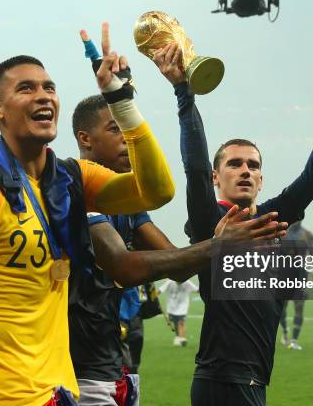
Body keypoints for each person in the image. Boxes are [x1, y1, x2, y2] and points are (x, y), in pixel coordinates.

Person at [0, 22, 178, 406]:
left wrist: (122, 100)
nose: (43, 96)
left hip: (58, 392)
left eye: (49, 87)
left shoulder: (70, 178)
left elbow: (157, 190)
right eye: (26, 88)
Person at [69, 63, 287, 405]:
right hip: (70, 369)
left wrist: (219, 245)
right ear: (85, 138)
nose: (129, 139)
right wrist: (218, 245)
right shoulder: (72, 189)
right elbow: (124, 268)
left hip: (110, 364)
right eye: (116, 130)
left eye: (130, 130)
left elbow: (181, 266)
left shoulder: (128, 206)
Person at [151, 43, 313, 406]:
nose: (245, 171)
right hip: (223, 381)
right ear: (215, 177)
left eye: (253, 165)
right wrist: (184, 92)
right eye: (235, 164)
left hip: (253, 382)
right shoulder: (211, 220)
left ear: (261, 178)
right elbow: (193, 167)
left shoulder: (271, 218)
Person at [279, 221, 313, 350]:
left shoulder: (308, 235)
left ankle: (294, 341)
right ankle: (285, 332)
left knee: (299, 306)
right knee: (281, 308)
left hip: (300, 275)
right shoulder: (281, 233)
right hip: (283, 274)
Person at [158, 279, 199, 347]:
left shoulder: (187, 282)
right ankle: (178, 337)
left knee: (181, 322)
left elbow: (197, 290)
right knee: (175, 322)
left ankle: (183, 339)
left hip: (183, 306)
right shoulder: (170, 282)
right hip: (171, 307)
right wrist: (153, 297)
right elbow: (160, 290)